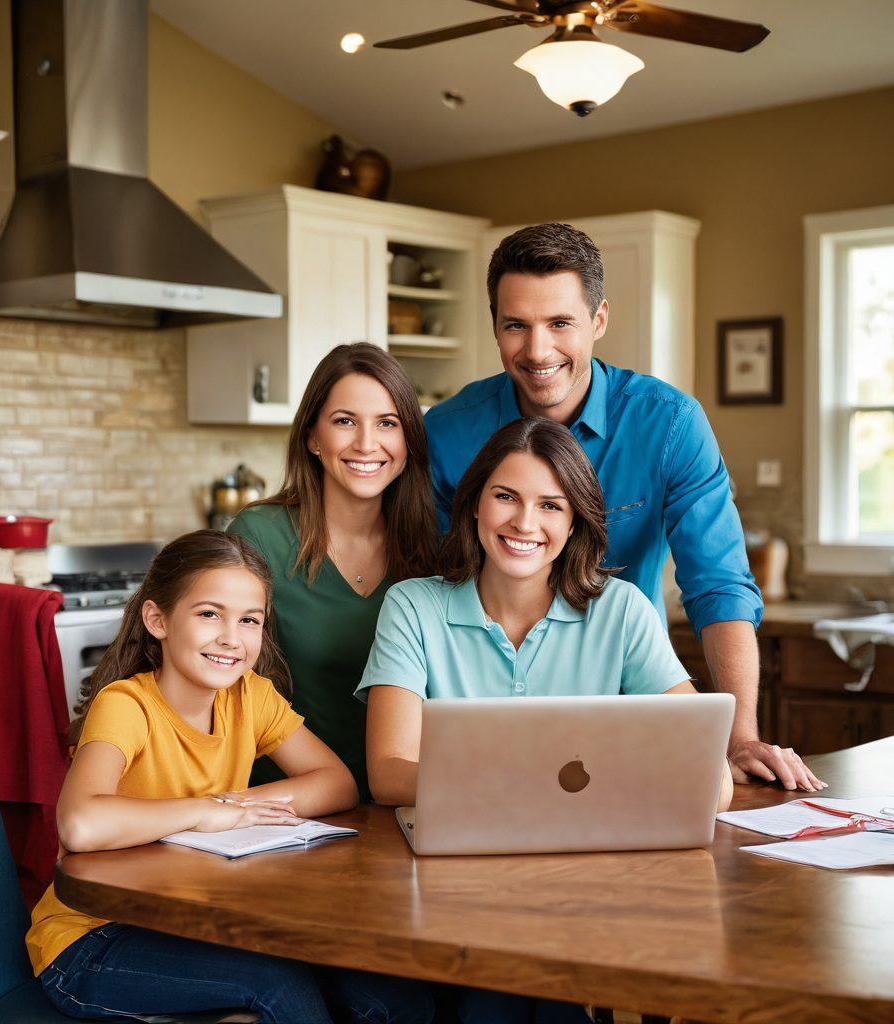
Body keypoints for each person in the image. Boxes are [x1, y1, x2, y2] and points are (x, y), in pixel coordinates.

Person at [423, 223, 823, 793]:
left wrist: (739, 736)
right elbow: (441, 578)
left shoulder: (668, 425)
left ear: (599, 320)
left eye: (561, 323)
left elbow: (719, 585)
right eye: (516, 325)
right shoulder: (446, 432)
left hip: (629, 698)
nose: (538, 351)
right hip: (485, 713)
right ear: (495, 326)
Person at [357, 418, 732, 1024]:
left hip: (592, 891)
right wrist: (540, 787)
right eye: (505, 497)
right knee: (490, 1004)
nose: (524, 524)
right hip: (457, 887)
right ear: (475, 505)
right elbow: (389, 773)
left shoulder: (622, 611)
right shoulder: (414, 606)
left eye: (550, 505)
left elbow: (707, 772)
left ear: (575, 521)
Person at [27, 530, 434, 1023]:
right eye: (208, 614)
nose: (230, 638)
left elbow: (335, 782)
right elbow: (80, 825)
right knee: (277, 988)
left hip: (195, 924)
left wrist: (230, 806)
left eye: (249, 620)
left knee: (391, 999)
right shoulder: (126, 705)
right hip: (92, 940)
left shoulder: (250, 696)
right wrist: (206, 813)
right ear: (157, 619)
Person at [230, 343, 438, 800]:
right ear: (313, 437)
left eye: (387, 423)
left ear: (409, 442)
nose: (367, 443)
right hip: (281, 805)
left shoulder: (433, 551)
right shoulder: (259, 536)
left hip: (408, 801)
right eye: (345, 421)